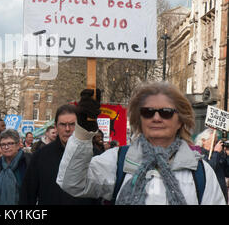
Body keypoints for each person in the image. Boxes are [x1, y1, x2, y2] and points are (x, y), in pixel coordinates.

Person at [56, 82, 226, 205]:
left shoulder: (201, 173)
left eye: (166, 112)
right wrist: (83, 133)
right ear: (139, 119)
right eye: (148, 111)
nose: (156, 117)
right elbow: (72, 183)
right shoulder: (118, 160)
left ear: (180, 121)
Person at [20, 104, 98, 205]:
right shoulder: (40, 156)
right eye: (62, 124)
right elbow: (27, 195)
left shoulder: (94, 155)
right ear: (56, 126)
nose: (67, 129)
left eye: (72, 124)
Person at [195, 128, 229, 203]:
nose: (216, 143)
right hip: (209, 196)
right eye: (213, 141)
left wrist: (226, 156)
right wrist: (216, 152)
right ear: (203, 141)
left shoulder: (217, 154)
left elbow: (227, 172)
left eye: (216, 141)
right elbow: (209, 169)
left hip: (221, 196)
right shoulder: (198, 153)